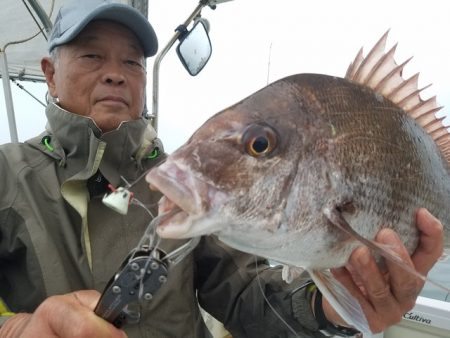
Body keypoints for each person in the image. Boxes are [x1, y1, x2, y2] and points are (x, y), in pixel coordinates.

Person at [0, 1, 444, 337]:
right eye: (92, 56)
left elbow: (247, 295)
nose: (116, 74)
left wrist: (330, 309)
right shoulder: (7, 173)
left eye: (132, 61)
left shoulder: (185, 189)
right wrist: (19, 330)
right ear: (50, 73)